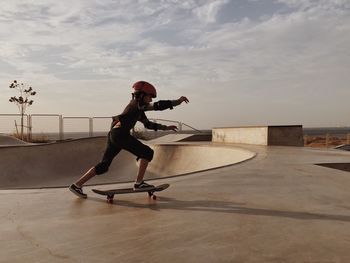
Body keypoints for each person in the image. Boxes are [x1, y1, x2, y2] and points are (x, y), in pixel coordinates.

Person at [69, 81, 189, 198]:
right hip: (120, 135)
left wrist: (165, 127)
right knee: (147, 152)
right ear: (141, 95)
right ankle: (139, 183)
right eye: (150, 96)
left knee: (104, 165)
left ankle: (77, 185)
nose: (151, 100)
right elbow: (157, 106)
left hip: (113, 135)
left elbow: (148, 124)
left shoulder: (137, 109)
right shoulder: (136, 104)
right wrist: (177, 101)